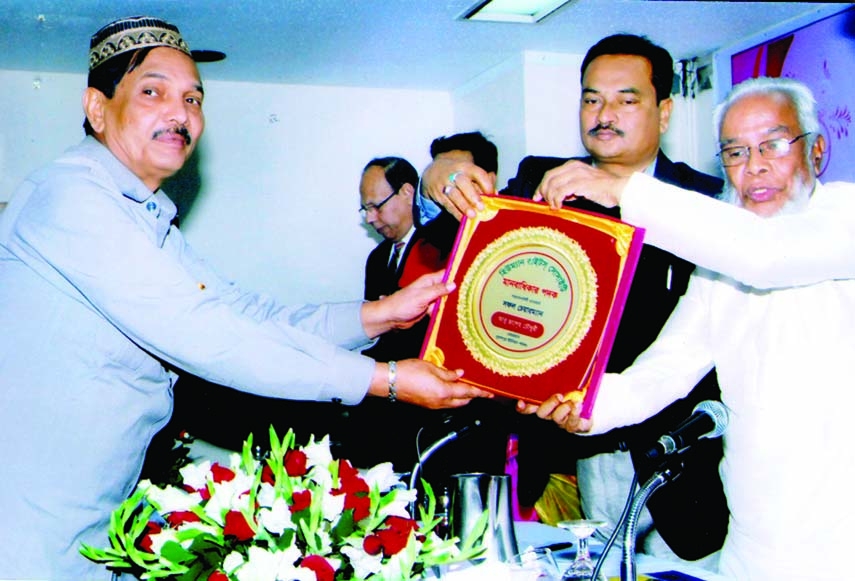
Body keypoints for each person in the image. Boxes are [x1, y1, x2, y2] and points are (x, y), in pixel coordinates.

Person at [0, 16, 489, 580]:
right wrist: (388, 381)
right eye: (152, 92)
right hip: (26, 526)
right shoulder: (72, 198)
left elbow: (246, 314)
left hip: (87, 520)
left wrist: (381, 313)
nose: (180, 113)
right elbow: (212, 335)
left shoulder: (145, 218)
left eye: (193, 98)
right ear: (96, 107)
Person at [521, 75, 854, 579]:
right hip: (750, 548)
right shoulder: (720, 263)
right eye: (736, 153)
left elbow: (765, 256)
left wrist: (624, 189)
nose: (755, 166)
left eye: (773, 145)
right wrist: (588, 405)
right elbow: (668, 366)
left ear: (818, 150)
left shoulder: (843, 215)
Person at [422, 34, 728, 560]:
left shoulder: (706, 199)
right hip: (570, 453)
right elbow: (456, 234)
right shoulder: (542, 183)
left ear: (666, 110)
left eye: (626, 100)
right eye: (591, 99)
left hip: (673, 457)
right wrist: (439, 177)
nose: (604, 114)